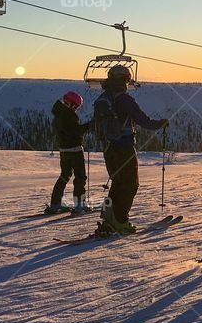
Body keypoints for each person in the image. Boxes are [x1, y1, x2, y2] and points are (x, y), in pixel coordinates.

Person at [92, 66, 168, 235]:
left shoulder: (104, 98)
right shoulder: (124, 99)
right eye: (127, 80)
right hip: (124, 148)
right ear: (124, 80)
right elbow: (143, 120)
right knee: (130, 185)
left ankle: (109, 215)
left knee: (117, 182)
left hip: (108, 149)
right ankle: (120, 221)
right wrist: (160, 123)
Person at [45, 91, 90, 214]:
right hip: (75, 149)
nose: (76, 109)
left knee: (65, 175)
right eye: (76, 106)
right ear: (71, 104)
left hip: (63, 150)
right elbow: (76, 131)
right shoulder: (70, 115)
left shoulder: (58, 113)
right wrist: (90, 125)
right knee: (80, 176)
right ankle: (80, 205)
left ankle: (55, 203)